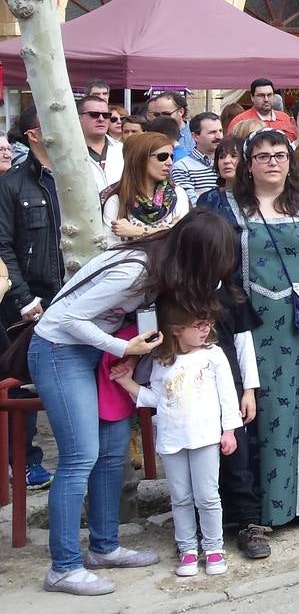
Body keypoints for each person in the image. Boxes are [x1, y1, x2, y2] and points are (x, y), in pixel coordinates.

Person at [28, 213, 240, 595]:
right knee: (80, 455)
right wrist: (122, 348)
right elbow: (67, 316)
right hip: (59, 349)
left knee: (111, 452)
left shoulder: (164, 268)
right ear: (196, 256)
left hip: (96, 351)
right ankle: (63, 567)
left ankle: (104, 547)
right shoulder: (135, 269)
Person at [196, 129, 299, 528]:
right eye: (263, 156)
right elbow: (206, 256)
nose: (272, 162)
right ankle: (256, 511)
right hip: (245, 322)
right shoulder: (222, 203)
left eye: (280, 155)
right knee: (254, 408)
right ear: (248, 164)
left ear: (290, 161)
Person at [109, 301, 241, 578]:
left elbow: (228, 396)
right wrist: (127, 383)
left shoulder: (213, 355)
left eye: (208, 324)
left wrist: (229, 430)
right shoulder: (161, 360)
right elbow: (156, 398)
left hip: (205, 436)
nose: (206, 330)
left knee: (207, 496)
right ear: (176, 330)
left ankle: (214, 546)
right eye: (198, 325)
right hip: (171, 439)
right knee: (180, 498)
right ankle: (188, 548)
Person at [0, 107, 63, 491]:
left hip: (70, 293)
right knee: (20, 382)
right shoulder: (12, 185)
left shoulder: (76, 176)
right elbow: (3, 246)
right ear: (35, 135)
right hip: (29, 301)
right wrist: (24, 299)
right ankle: (25, 462)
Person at [102, 132, 191, 243]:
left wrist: (138, 231)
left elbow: (183, 236)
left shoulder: (176, 194)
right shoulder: (117, 199)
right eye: (162, 156)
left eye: (172, 157)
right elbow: (109, 245)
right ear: (140, 158)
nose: (170, 162)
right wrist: (168, 229)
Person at [173, 113, 224, 203]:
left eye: (220, 131)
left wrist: (203, 195)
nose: (219, 136)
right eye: (212, 132)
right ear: (195, 136)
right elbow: (191, 203)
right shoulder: (182, 167)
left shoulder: (229, 162)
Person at [79, 95, 125, 190]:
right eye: (94, 114)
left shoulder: (123, 150)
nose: (101, 119)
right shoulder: (67, 154)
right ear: (78, 118)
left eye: (106, 115)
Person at [228, 78, 296, 139]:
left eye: (269, 95)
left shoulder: (285, 118)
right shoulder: (240, 121)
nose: (266, 99)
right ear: (252, 97)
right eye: (261, 95)